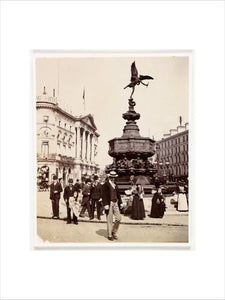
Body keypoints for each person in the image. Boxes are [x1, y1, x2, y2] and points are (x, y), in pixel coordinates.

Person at [102, 171, 122, 241]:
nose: (113, 179)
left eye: (114, 177)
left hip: (115, 202)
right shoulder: (105, 185)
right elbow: (104, 195)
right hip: (109, 203)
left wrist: (121, 202)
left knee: (119, 218)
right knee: (109, 220)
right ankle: (109, 235)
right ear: (109, 177)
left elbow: (118, 194)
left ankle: (113, 231)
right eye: (112, 177)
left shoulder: (115, 184)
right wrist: (105, 204)